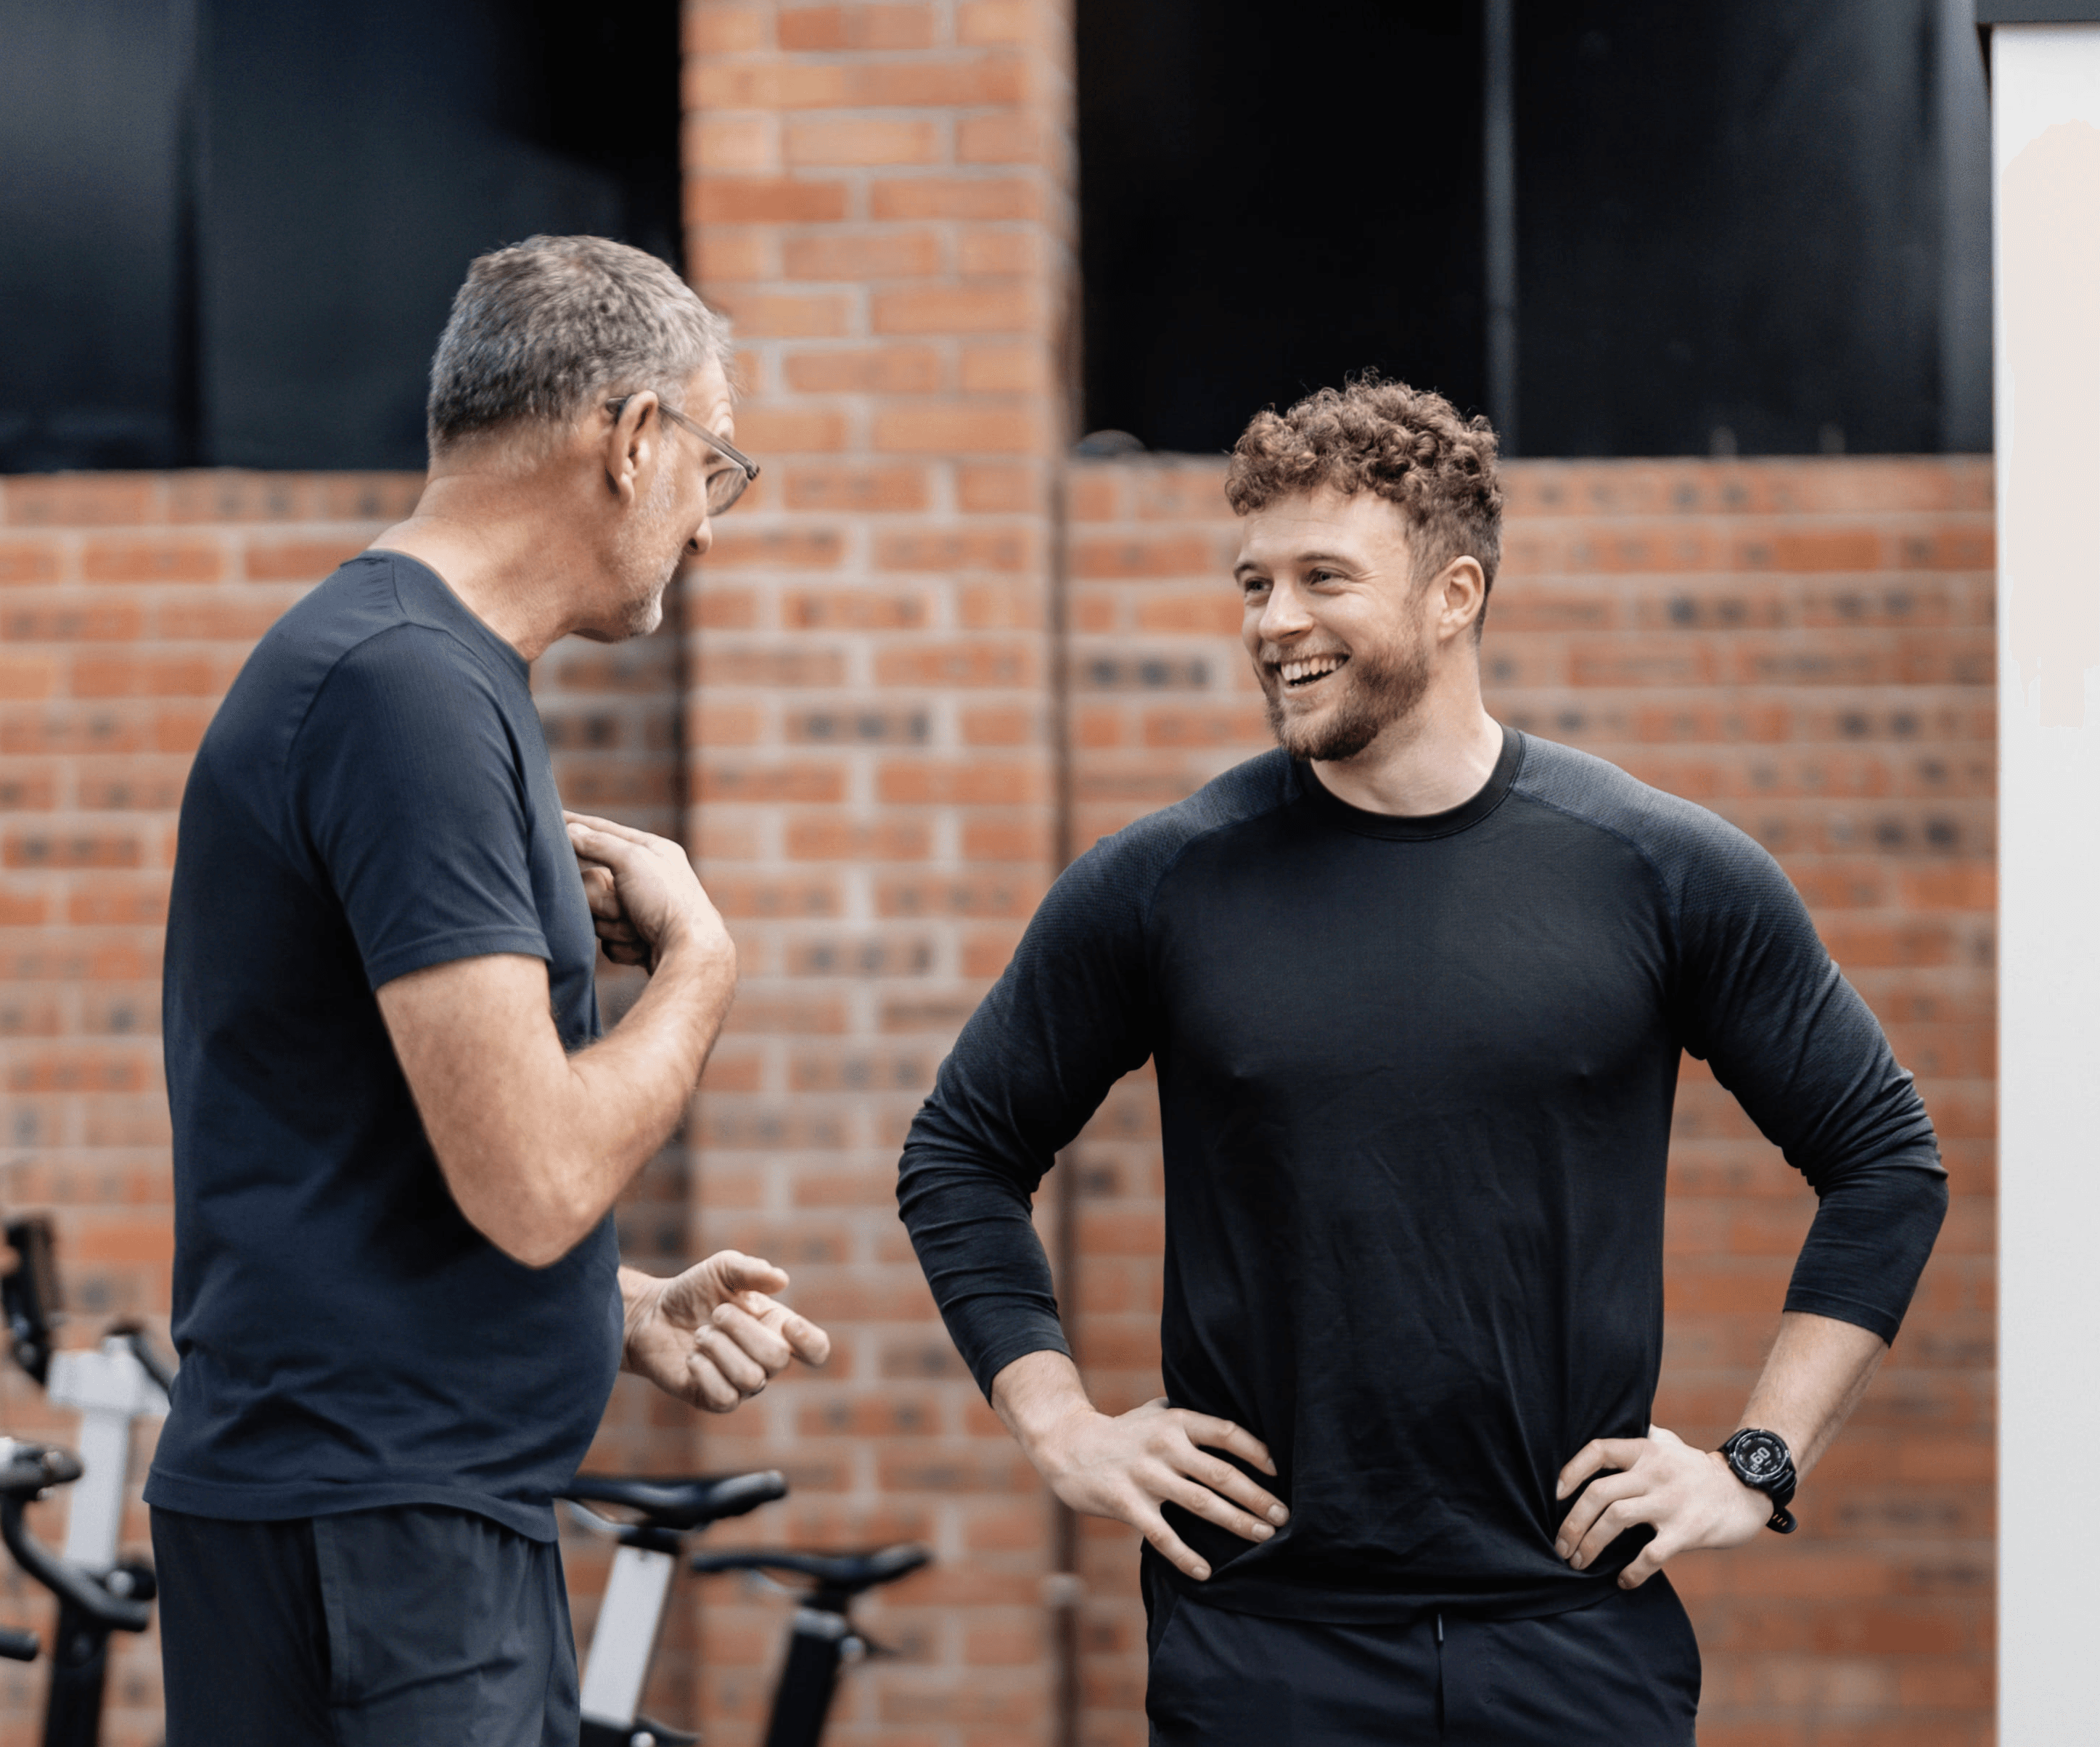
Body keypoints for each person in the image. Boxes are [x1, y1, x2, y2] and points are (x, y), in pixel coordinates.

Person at [896, 377, 1947, 1744]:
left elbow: (1882, 1162)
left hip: (1573, 1639)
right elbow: (961, 1152)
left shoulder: (1656, 869)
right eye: (1253, 581)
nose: (1274, 622)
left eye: (1322, 576)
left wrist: (1755, 1462)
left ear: (1453, 594)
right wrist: (1062, 1426)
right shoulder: (1163, 883)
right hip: (1264, 1640)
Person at [147, 235, 826, 1746]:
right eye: (713, 466)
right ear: (634, 437)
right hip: (384, 1529)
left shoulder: (417, 672)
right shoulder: (410, 693)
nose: (709, 530)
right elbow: (531, 1178)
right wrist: (703, 966)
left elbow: (364, 1144)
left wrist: (609, 1305)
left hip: (384, 1511)